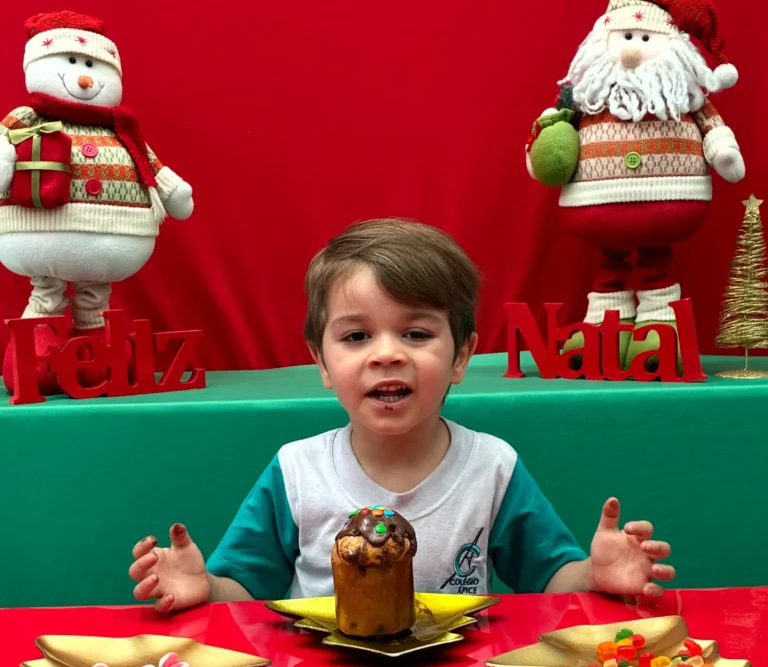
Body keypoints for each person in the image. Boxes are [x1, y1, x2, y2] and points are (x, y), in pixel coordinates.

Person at [129, 218, 673, 612]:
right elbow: (244, 589)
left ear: (460, 356)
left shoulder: (492, 467)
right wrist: (204, 587)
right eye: (356, 336)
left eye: (415, 333)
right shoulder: (296, 471)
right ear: (321, 362)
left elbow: (550, 577)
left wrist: (594, 574)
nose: (386, 353)